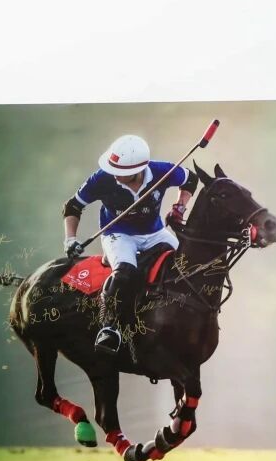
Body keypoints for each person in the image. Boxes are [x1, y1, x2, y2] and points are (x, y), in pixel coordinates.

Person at [63, 134, 197, 353]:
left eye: (121, 171)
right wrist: (70, 239)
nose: (115, 174)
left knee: (187, 265)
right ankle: (109, 328)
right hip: (118, 234)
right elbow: (73, 206)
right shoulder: (102, 178)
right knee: (125, 272)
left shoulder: (161, 171)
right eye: (113, 169)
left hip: (155, 232)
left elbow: (190, 179)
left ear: (138, 170)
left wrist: (179, 207)